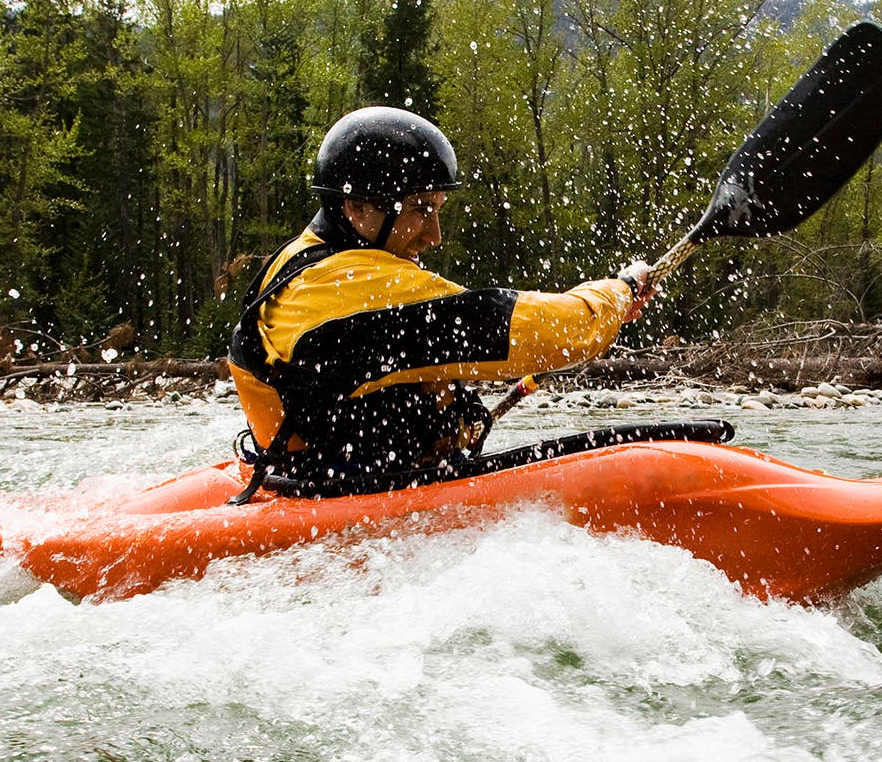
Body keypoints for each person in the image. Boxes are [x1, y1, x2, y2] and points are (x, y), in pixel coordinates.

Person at [227, 105, 654, 499]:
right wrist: (620, 291)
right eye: (419, 209)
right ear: (357, 207)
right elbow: (558, 333)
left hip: (324, 478)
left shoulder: (301, 259)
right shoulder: (353, 289)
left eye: (437, 210)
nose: (434, 235)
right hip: (356, 500)